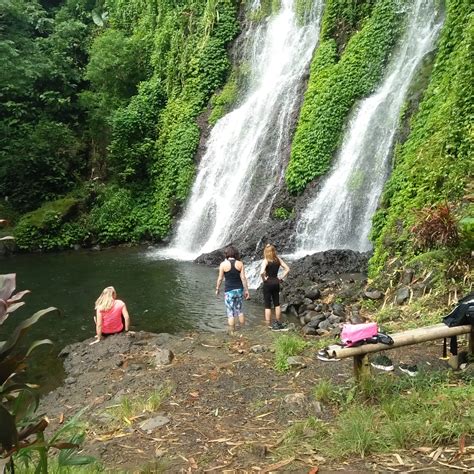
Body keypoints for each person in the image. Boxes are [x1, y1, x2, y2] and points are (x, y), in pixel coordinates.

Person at [215, 246, 250, 335]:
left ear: (227, 254)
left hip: (229, 291)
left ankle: (232, 332)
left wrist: (217, 289)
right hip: (239, 290)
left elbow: (220, 278)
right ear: (235, 254)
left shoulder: (223, 264)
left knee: (230, 312)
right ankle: (243, 330)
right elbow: (243, 278)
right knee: (239, 310)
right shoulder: (240, 263)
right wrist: (246, 290)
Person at [260, 244, 289, 330]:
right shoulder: (278, 259)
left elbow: (261, 272)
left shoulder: (266, 260)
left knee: (267, 305)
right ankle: (278, 321)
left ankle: (268, 324)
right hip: (276, 282)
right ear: (273, 251)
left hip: (268, 283)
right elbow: (287, 269)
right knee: (277, 303)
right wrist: (281, 278)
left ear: (266, 252)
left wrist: (264, 279)